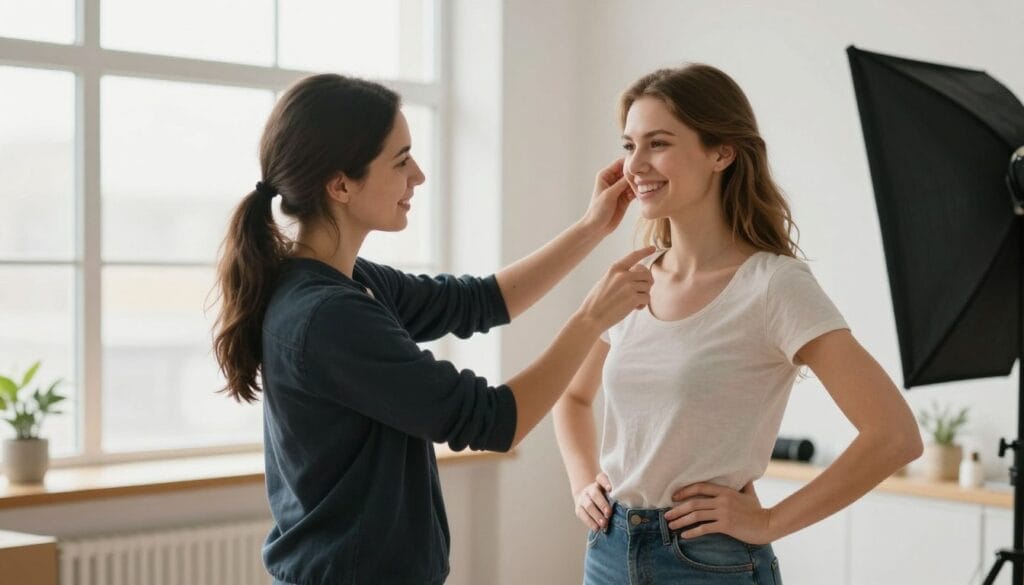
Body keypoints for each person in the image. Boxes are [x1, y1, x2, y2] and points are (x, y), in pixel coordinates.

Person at [211, 73, 654, 585]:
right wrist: (592, 317)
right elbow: (493, 420)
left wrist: (592, 228)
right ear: (340, 185)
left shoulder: (348, 282)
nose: (417, 176)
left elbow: (478, 301)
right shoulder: (327, 316)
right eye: (401, 161)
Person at [552, 64, 924, 584]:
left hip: (708, 563)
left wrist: (769, 520)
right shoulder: (632, 278)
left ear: (721, 152)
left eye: (657, 143)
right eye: (628, 145)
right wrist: (581, 484)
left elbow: (895, 435)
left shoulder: (774, 285)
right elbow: (572, 398)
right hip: (608, 552)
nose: (635, 165)